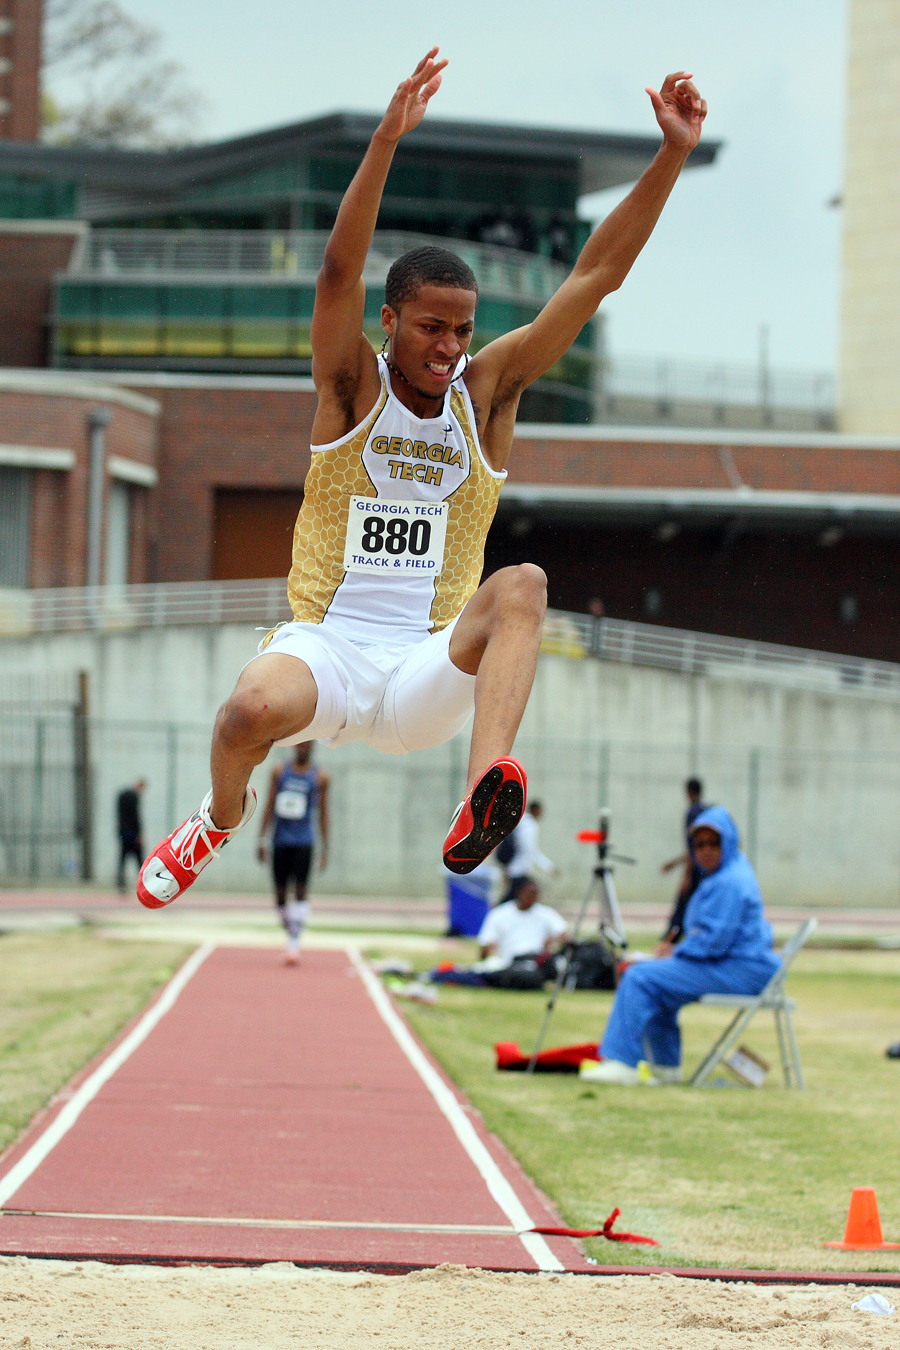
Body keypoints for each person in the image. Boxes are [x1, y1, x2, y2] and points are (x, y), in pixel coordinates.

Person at [136, 49, 708, 911]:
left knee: (524, 584)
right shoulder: (350, 389)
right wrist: (384, 143)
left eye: (463, 330)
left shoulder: (487, 392)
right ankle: (218, 818)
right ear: (391, 321)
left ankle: (482, 795)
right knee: (244, 715)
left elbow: (594, 277)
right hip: (326, 648)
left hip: (424, 668)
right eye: (431, 328)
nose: (449, 348)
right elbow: (335, 275)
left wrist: (670, 156)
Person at [580, 806, 780, 1085]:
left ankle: (621, 1061)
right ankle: (665, 1066)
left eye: (714, 843)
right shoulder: (726, 873)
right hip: (735, 965)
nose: (706, 850)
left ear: (729, 843)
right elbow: (711, 939)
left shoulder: (730, 881)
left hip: (739, 969)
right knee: (660, 987)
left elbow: (714, 943)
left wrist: (674, 952)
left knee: (638, 976)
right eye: (699, 845)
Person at [257, 742, 329, 964]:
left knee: (300, 890)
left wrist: (325, 846)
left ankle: (294, 943)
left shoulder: (320, 777)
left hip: (304, 841)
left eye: (307, 745)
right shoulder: (280, 771)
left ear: (313, 747)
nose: (302, 748)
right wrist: (261, 838)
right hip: (280, 840)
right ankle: (291, 929)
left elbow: (323, 813)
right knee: (280, 895)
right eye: (299, 744)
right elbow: (269, 804)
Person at [431, 878, 568, 985]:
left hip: (535, 962)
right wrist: (491, 953)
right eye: (530, 893)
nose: (534, 898)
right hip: (509, 963)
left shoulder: (546, 914)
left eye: (536, 894)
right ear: (519, 892)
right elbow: (485, 947)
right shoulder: (499, 914)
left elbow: (564, 934)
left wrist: (553, 941)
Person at [655, 777, 708, 955]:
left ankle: (666, 946)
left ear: (688, 792)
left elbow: (693, 848)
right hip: (704, 872)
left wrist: (686, 875)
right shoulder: (706, 811)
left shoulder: (693, 812)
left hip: (695, 873)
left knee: (681, 911)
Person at [499, 800, 556, 903]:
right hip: (520, 869)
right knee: (513, 898)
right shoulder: (530, 826)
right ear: (534, 810)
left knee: (514, 897)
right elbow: (531, 850)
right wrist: (549, 867)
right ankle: (494, 915)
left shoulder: (521, 823)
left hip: (514, 867)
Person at [116, 779, 146, 894]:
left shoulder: (122, 796)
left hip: (123, 833)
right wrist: (139, 835)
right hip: (133, 834)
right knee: (140, 861)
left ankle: (121, 884)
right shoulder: (134, 798)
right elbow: (136, 818)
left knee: (122, 860)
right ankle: (144, 884)